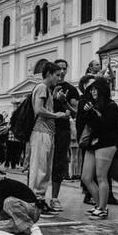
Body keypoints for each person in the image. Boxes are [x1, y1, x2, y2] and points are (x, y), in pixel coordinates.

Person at [78, 77, 118, 219]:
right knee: (86, 177)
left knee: (101, 176)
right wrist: (87, 112)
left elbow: (106, 126)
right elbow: (88, 124)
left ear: (102, 90)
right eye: (91, 89)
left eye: (95, 89)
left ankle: (102, 209)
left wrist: (92, 113)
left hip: (107, 143)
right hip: (93, 143)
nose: (93, 91)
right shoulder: (93, 105)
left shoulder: (111, 106)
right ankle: (100, 206)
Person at [28, 61, 67, 210]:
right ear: (49, 74)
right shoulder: (42, 87)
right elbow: (39, 110)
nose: (59, 77)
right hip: (41, 132)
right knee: (39, 168)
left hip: (47, 132)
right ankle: (35, 200)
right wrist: (57, 115)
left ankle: (40, 199)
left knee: (45, 169)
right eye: (57, 75)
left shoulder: (47, 90)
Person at [48, 59, 79, 212]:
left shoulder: (71, 89)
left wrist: (64, 101)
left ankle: (54, 198)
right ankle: (35, 197)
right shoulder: (46, 86)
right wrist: (53, 99)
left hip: (62, 130)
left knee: (59, 163)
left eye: (64, 69)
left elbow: (75, 111)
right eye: (58, 69)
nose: (61, 72)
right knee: (41, 163)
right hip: (46, 129)